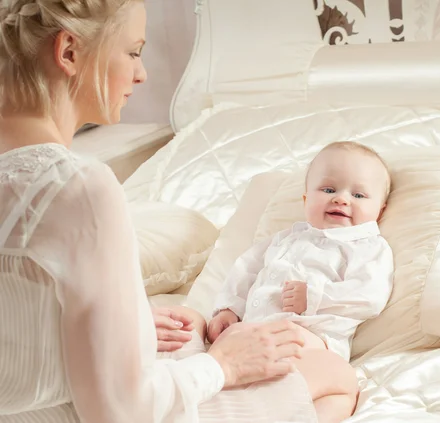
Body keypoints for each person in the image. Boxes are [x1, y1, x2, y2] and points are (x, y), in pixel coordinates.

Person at [0, 1, 322, 421]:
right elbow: (120, 411)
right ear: (69, 52)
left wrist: (122, 321)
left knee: (183, 339)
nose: (142, 73)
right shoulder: (76, 188)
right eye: (133, 51)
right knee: (332, 376)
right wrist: (224, 366)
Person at [208, 141, 395, 423]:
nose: (341, 199)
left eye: (358, 194)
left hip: (308, 340)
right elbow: (245, 270)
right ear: (306, 199)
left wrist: (316, 297)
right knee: (193, 332)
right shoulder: (285, 239)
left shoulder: (367, 247)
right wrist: (228, 308)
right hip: (249, 335)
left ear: (380, 210)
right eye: (329, 190)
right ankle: (222, 401)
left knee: (342, 385)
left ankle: (274, 412)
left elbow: (370, 295)